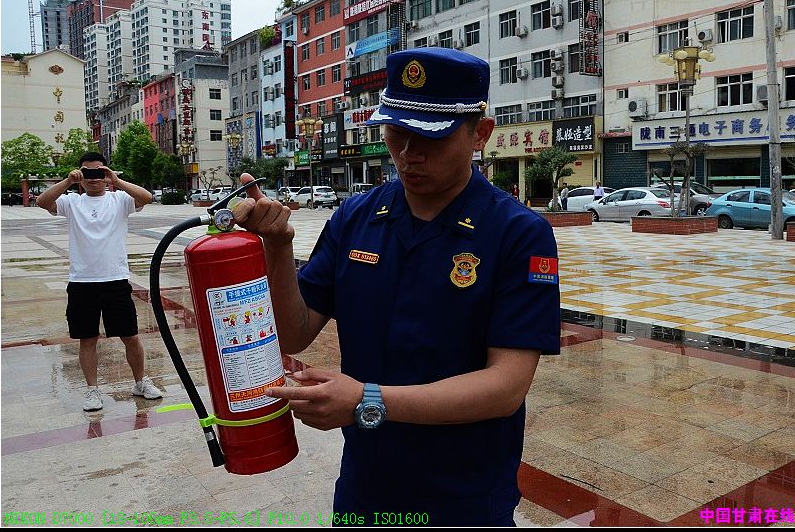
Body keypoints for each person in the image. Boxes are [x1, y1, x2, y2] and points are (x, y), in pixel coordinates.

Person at [232, 48, 560, 526]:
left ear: (480, 134)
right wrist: (278, 248)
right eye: (396, 134)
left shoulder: (517, 233)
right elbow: (294, 333)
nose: (409, 155)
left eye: (430, 137)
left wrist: (366, 400)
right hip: (365, 486)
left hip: (464, 496)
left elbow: (505, 386)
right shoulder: (356, 218)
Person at [36, 152, 162, 411]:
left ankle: (140, 382)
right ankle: (92, 390)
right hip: (82, 282)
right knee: (87, 339)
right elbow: (42, 202)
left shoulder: (119, 200)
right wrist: (67, 181)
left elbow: (147, 197)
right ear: (80, 174)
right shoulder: (72, 202)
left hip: (116, 279)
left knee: (130, 336)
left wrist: (115, 180)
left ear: (106, 174)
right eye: (87, 172)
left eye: (99, 172)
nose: (93, 177)